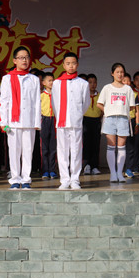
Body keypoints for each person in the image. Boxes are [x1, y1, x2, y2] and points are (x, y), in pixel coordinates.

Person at [0, 47, 41, 189]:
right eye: (21, 57)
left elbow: (37, 101)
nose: (24, 60)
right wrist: (3, 121)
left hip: (29, 121)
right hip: (13, 121)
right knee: (14, 151)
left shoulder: (34, 79)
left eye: (27, 57)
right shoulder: (7, 79)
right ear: (14, 60)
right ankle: (15, 179)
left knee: (28, 151)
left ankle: (26, 179)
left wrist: (37, 121)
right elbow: (4, 101)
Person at [52, 52, 89, 190]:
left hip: (76, 121)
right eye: (68, 63)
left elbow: (85, 103)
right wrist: (61, 116)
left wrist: (77, 115)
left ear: (77, 64)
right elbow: (54, 103)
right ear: (63, 65)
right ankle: (64, 179)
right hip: (62, 121)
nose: (71, 66)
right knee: (62, 151)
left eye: (73, 63)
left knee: (76, 150)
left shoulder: (83, 84)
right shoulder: (57, 83)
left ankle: (75, 179)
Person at [97, 63, 136, 183]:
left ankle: (120, 172)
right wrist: (108, 111)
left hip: (123, 119)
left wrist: (121, 110)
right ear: (112, 73)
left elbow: (132, 106)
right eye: (117, 72)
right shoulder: (107, 88)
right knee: (111, 146)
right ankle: (113, 173)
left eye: (122, 72)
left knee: (122, 146)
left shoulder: (128, 89)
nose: (120, 74)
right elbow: (99, 103)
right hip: (110, 119)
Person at [82, 73, 103, 175]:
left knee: (96, 144)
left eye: (94, 82)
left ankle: (94, 166)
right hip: (85, 120)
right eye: (90, 82)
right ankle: (86, 165)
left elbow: (103, 108)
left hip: (96, 121)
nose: (92, 84)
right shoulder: (83, 95)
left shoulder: (100, 95)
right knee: (86, 143)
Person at [122, 72, 139, 178]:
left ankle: (129, 168)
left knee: (130, 146)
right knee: (120, 146)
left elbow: (137, 110)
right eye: (124, 81)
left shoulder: (134, 94)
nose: (127, 83)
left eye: (128, 81)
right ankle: (119, 168)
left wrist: (137, 123)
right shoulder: (117, 93)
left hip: (131, 121)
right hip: (120, 120)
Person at [40, 72, 57, 179]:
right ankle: (45, 170)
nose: (51, 83)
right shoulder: (41, 96)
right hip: (44, 120)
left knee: (53, 147)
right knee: (44, 147)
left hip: (54, 120)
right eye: (49, 81)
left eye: (52, 80)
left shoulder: (57, 95)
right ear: (44, 83)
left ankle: (53, 170)